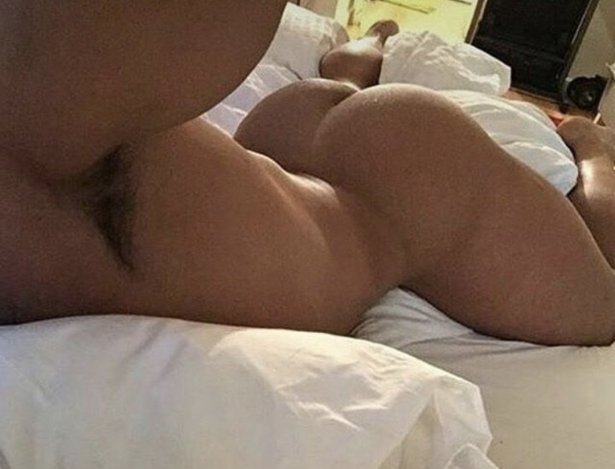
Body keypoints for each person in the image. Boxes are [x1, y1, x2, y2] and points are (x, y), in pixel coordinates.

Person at [0, 2, 614, 347]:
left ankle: (591, 144)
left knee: (604, 302)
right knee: (338, 87)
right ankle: (369, 45)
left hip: (408, 182)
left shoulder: (39, 107)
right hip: (284, 149)